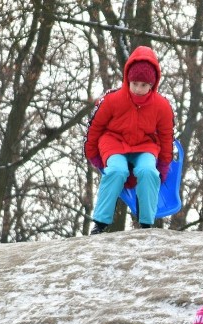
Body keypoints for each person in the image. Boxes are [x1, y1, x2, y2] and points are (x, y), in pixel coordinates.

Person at [84, 46, 175, 234]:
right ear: (128, 80)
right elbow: (95, 128)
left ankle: (146, 223)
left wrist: (164, 164)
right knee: (116, 171)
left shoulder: (162, 106)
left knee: (149, 171)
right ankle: (100, 223)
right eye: (135, 84)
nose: (138, 89)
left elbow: (166, 137)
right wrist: (93, 154)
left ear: (152, 84)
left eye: (143, 85)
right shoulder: (112, 100)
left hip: (145, 146)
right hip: (114, 142)